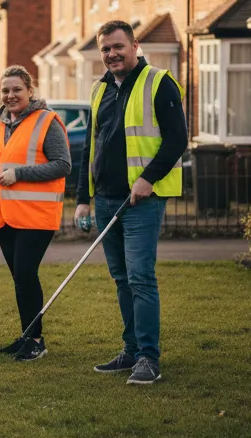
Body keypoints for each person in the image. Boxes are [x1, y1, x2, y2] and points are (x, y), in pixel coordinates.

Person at [75, 20, 187, 385]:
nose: (111, 54)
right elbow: (92, 148)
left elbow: (176, 139)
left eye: (118, 47)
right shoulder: (99, 89)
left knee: (140, 278)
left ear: (135, 45)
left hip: (142, 200)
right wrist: (82, 199)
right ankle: (131, 349)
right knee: (122, 278)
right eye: (105, 49)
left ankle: (148, 358)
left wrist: (147, 179)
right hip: (106, 199)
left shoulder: (159, 82)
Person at [0, 66, 70, 362]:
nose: (10, 95)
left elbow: (63, 165)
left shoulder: (47, 121)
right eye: (5, 90)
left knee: (26, 273)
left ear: (30, 90)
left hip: (37, 215)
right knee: (19, 277)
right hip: (4, 215)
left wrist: (20, 174)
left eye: (17, 89)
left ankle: (37, 340)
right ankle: (27, 335)